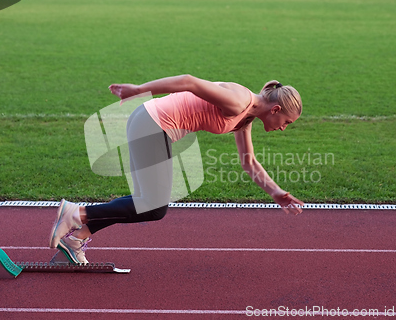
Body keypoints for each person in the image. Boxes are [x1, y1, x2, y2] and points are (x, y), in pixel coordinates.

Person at [49, 74, 304, 264]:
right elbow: (188, 81)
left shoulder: (246, 115)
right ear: (276, 109)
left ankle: (76, 238)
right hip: (152, 124)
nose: (283, 128)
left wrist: (275, 192)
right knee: (154, 206)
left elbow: (248, 161)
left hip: (148, 124)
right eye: (286, 123)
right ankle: (76, 212)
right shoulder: (239, 101)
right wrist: (138, 90)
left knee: (145, 204)